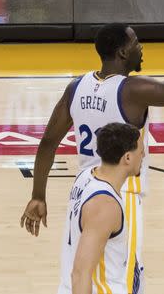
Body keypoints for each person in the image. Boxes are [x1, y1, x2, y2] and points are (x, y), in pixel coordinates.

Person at [20, 0, 164, 294]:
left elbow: (48, 142)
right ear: (123, 53)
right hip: (119, 190)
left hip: (84, 186)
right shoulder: (132, 90)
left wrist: (38, 195)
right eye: (136, 43)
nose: (141, 48)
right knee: (118, 279)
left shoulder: (76, 87)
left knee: (80, 269)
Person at [56, 122, 143, 294]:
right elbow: (81, 274)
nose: (144, 154)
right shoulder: (105, 205)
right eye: (140, 151)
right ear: (127, 158)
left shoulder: (86, 175)